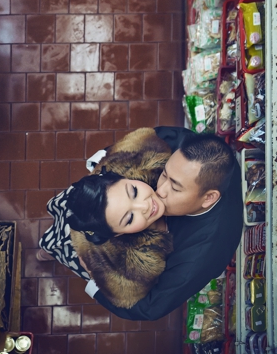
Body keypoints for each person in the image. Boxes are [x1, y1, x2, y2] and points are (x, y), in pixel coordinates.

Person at [87, 127, 242, 320]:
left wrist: (93, 280)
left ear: (208, 198)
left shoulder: (200, 256)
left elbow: (149, 308)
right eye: (164, 174)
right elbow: (160, 136)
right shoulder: (187, 150)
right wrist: (104, 160)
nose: (160, 190)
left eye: (175, 187)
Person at [39, 127, 174, 308]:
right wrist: (92, 272)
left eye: (133, 191)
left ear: (120, 176)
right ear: (117, 234)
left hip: (89, 199)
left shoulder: (134, 159)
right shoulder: (116, 267)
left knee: (66, 216)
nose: (145, 205)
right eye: (129, 218)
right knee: (59, 243)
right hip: (84, 244)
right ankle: (46, 251)